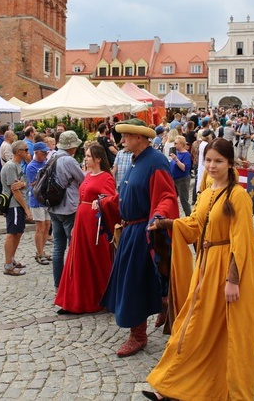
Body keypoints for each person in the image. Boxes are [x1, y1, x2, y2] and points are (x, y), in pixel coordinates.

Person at [144, 138, 254, 401]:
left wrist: (232, 280)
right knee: (192, 326)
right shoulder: (208, 189)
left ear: (230, 163)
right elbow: (194, 224)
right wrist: (166, 223)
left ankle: (221, 384)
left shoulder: (238, 196)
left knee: (223, 330)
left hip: (227, 270)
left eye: (218, 161)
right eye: (209, 160)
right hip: (205, 267)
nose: (212, 166)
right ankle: (175, 385)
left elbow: (243, 241)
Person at [98, 118, 178, 357]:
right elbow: (126, 194)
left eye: (126, 136)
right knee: (138, 281)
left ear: (140, 138)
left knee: (134, 284)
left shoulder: (156, 162)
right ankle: (162, 302)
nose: (121, 140)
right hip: (130, 231)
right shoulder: (134, 160)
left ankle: (138, 336)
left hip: (144, 232)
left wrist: (160, 215)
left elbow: (167, 196)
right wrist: (105, 203)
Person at [54, 144, 117, 314]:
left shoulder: (106, 178)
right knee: (78, 260)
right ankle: (74, 300)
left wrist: (101, 201)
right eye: (86, 156)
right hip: (81, 221)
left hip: (95, 224)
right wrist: (75, 225)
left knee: (96, 261)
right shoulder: (87, 175)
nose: (86, 159)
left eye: (89, 156)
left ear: (98, 159)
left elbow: (111, 199)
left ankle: (103, 298)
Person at [47, 131, 86, 287]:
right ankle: (72, 282)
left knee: (58, 247)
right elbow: (82, 180)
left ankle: (58, 283)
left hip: (53, 206)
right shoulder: (69, 160)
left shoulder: (52, 156)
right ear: (71, 146)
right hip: (68, 207)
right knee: (73, 246)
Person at [1, 140, 33, 276]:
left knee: (18, 233)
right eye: (26, 150)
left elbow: (22, 184)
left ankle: (12, 259)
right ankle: (8, 265)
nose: (28, 152)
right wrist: (26, 209)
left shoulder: (19, 165)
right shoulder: (10, 167)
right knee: (12, 234)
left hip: (18, 204)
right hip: (14, 204)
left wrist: (23, 184)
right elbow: (15, 189)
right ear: (19, 151)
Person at [25, 142, 52, 265]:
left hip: (46, 199)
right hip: (37, 200)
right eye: (43, 153)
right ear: (36, 153)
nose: (46, 155)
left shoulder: (46, 163)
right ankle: (39, 252)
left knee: (47, 225)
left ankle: (43, 250)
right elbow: (33, 184)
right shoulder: (31, 167)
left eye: (46, 152)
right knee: (40, 227)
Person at [168, 135, 192, 216]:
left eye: (176, 143)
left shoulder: (186, 155)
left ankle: (189, 218)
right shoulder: (176, 152)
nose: (174, 145)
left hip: (182, 180)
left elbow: (185, 168)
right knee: (172, 198)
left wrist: (176, 160)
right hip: (174, 179)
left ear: (181, 144)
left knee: (184, 201)